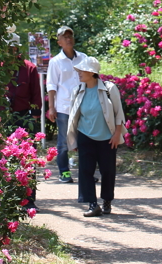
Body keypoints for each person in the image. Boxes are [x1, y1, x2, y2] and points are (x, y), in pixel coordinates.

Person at [67, 56, 126, 217]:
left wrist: (116, 134)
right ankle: (92, 204)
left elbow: (118, 114)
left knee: (108, 171)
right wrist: (74, 139)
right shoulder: (77, 91)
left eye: (82, 70)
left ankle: (107, 201)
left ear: (92, 72)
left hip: (107, 138)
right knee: (85, 170)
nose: (79, 73)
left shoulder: (109, 88)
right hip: (85, 135)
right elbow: (74, 116)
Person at [5, 32, 42, 206]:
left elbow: (36, 97)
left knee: (27, 158)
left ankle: (29, 200)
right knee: (4, 158)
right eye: (7, 49)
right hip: (4, 118)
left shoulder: (29, 68)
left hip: (24, 118)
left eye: (13, 49)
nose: (10, 52)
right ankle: (7, 198)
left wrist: (33, 120)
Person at [45, 26, 84, 184]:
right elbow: (52, 85)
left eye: (70, 36)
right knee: (63, 142)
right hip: (64, 107)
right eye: (65, 36)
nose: (68, 39)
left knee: (85, 140)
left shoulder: (83, 58)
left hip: (83, 106)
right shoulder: (55, 62)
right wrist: (51, 107)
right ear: (59, 41)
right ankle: (64, 172)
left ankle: (86, 172)